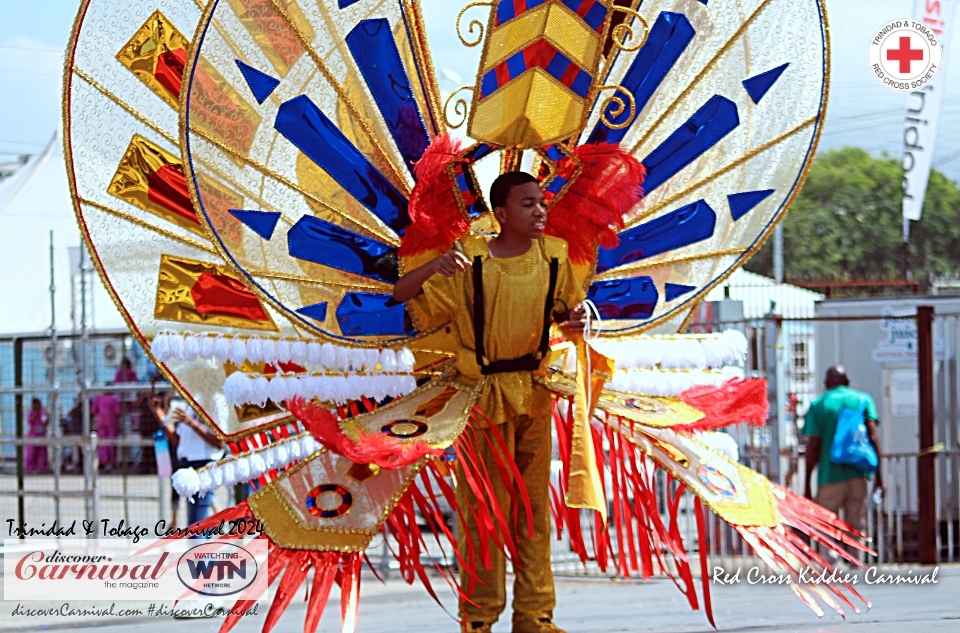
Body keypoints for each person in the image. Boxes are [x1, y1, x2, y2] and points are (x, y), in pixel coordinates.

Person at [394, 172, 586, 633]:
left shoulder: (555, 256)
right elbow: (402, 295)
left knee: (533, 514)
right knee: (482, 512)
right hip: (481, 400)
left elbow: (568, 313)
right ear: (500, 213)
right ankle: (479, 618)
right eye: (527, 204)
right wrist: (434, 267)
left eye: (541, 202)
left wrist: (576, 321)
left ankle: (535, 616)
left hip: (534, 395)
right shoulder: (469, 259)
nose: (539, 211)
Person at [803, 365, 884, 541]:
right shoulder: (862, 400)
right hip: (857, 475)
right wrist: (879, 478)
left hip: (828, 477)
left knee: (826, 528)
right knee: (857, 528)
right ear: (847, 382)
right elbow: (873, 438)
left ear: (826, 384)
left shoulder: (819, 405)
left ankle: (830, 558)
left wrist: (807, 483)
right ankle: (856, 557)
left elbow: (813, 446)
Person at [154, 395, 225, 529]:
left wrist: (191, 422)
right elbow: (178, 441)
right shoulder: (189, 402)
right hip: (188, 465)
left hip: (205, 465)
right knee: (197, 524)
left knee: (197, 526)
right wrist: (159, 415)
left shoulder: (214, 400)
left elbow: (219, 442)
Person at [91, 389, 121, 471]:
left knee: (102, 443)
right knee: (112, 443)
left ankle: (103, 462)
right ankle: (112, 463)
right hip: (112, 423)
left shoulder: (97, 399)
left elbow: (93, 410)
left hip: (101, 423)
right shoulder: (113, 399)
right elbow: (117, 411)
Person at [25, 398, 49, 474]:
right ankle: (29, 468)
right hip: (34, 434)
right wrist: (36, 414)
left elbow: (45, 422)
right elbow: (30, 421)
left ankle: (42, 468)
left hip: (42, 434)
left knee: (42, 452)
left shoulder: (43, 412)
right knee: (31, 452)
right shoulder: (32, 413)